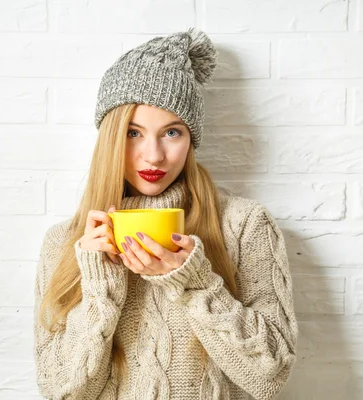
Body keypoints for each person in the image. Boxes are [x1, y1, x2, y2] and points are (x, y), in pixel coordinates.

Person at [33, 27, 298, 400]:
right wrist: (99, 287)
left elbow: (269, 377)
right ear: (110, 138)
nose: (154, 156)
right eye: (133, 133)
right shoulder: (66, 241)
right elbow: (61, 391)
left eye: (172, 133)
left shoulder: (244, 226)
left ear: (191, 139)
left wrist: (195, 283)